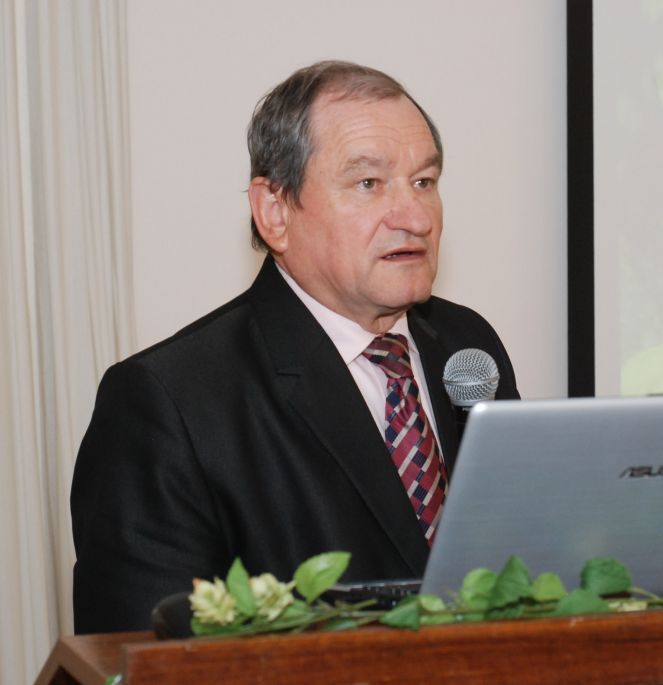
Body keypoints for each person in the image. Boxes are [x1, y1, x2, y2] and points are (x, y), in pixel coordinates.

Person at [70, 61, 519, 633]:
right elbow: (139, 650)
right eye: (368, 183)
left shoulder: (467, 346)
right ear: (275, 212)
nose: (415, 217)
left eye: (424, 182)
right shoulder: (168, 402)